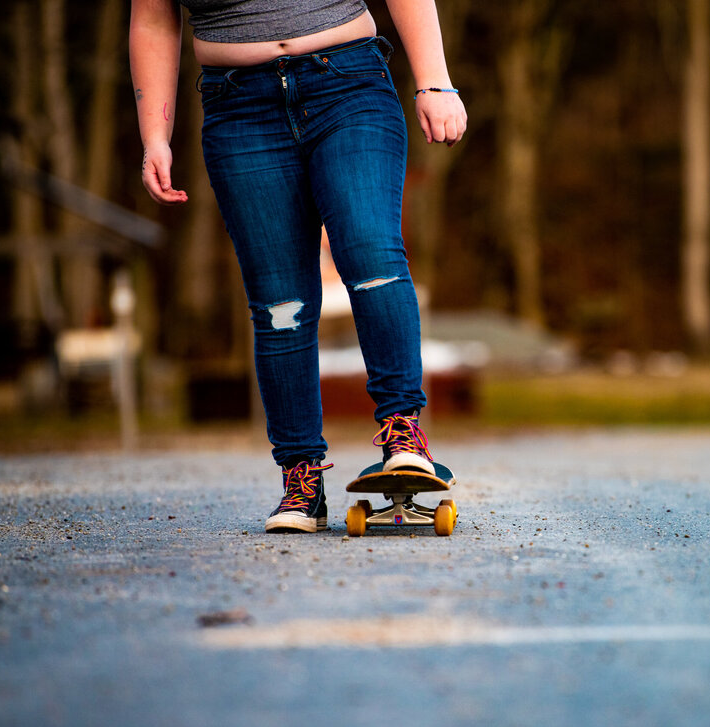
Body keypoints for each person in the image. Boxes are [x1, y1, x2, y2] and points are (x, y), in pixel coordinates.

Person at [130, 0, 466, 532]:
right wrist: (154, 136)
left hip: (348, 85)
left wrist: (434, 82)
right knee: (279, 303)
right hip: (238, 107)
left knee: (370, 254)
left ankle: (404, 433)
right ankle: (301, 478)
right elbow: (152, 17)